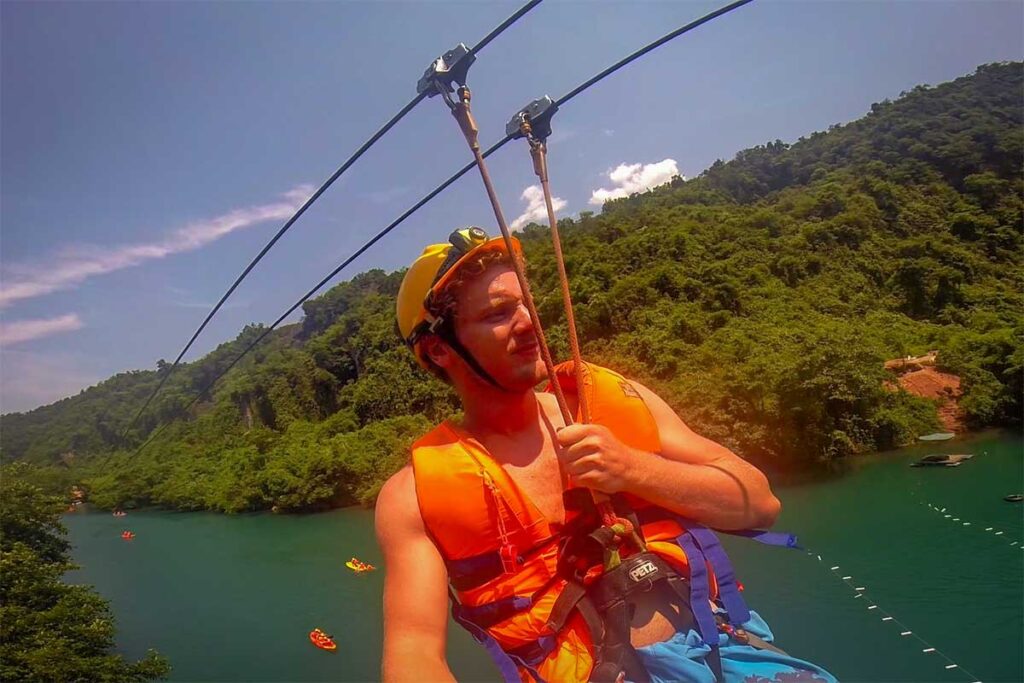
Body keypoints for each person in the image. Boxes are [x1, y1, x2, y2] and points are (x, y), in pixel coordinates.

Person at [375, 228, 836, 683]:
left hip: (727, 652)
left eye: (525, 302)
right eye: (498, 313)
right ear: (439, 349)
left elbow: (760, 504)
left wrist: (633, 469)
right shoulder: (412, 498)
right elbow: (413, 655)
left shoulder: (603, 403)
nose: (529, 322)